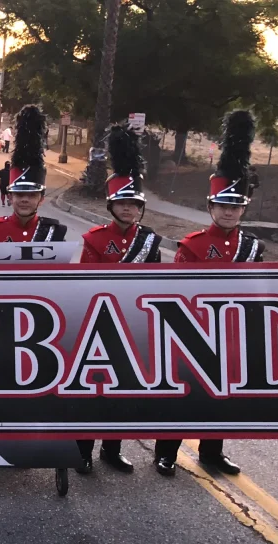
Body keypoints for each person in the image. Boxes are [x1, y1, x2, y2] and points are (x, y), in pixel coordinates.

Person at [153, 110, 264, 478]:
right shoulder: (193, 245)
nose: (230, 212)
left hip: (233, 329)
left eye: (236, 207)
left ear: (242, 210)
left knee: (224, 395)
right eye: (223, 206)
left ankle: (212, 451)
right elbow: (178, 290)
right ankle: (166, 451)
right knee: (186, 392)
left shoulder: (252, 246)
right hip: (195, 329)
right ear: (210, 208)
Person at [75, 123, 163, 476]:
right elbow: (86, 284)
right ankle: (82, 449)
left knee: (124, 391)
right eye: (123, 203)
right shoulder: (95, 239)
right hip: (100, 324)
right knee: (93, 391)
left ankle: (112, 449)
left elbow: (157, 286)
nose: (129, 209)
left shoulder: (150, 242)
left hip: (135, 323)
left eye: (135, 204)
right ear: (112, 205)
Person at [0, 105, 66, 243]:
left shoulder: (55, 234)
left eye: (32, 195)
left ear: (42, 198)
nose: (25, 199)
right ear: (10, 197)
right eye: (19, 194)